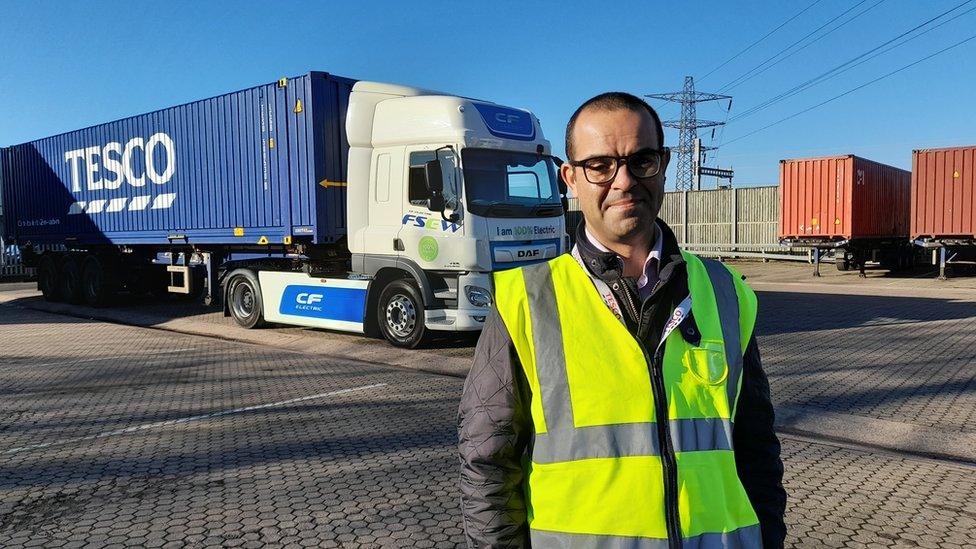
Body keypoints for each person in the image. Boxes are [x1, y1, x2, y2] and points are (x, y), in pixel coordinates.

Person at [458, 92, 786, 548]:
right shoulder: (524, 302)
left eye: (641, 160)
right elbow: (488, 464)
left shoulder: (724, 293)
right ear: (570, 178)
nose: (624, 180)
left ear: (664, 164)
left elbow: (758, 452)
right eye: (600, 166)